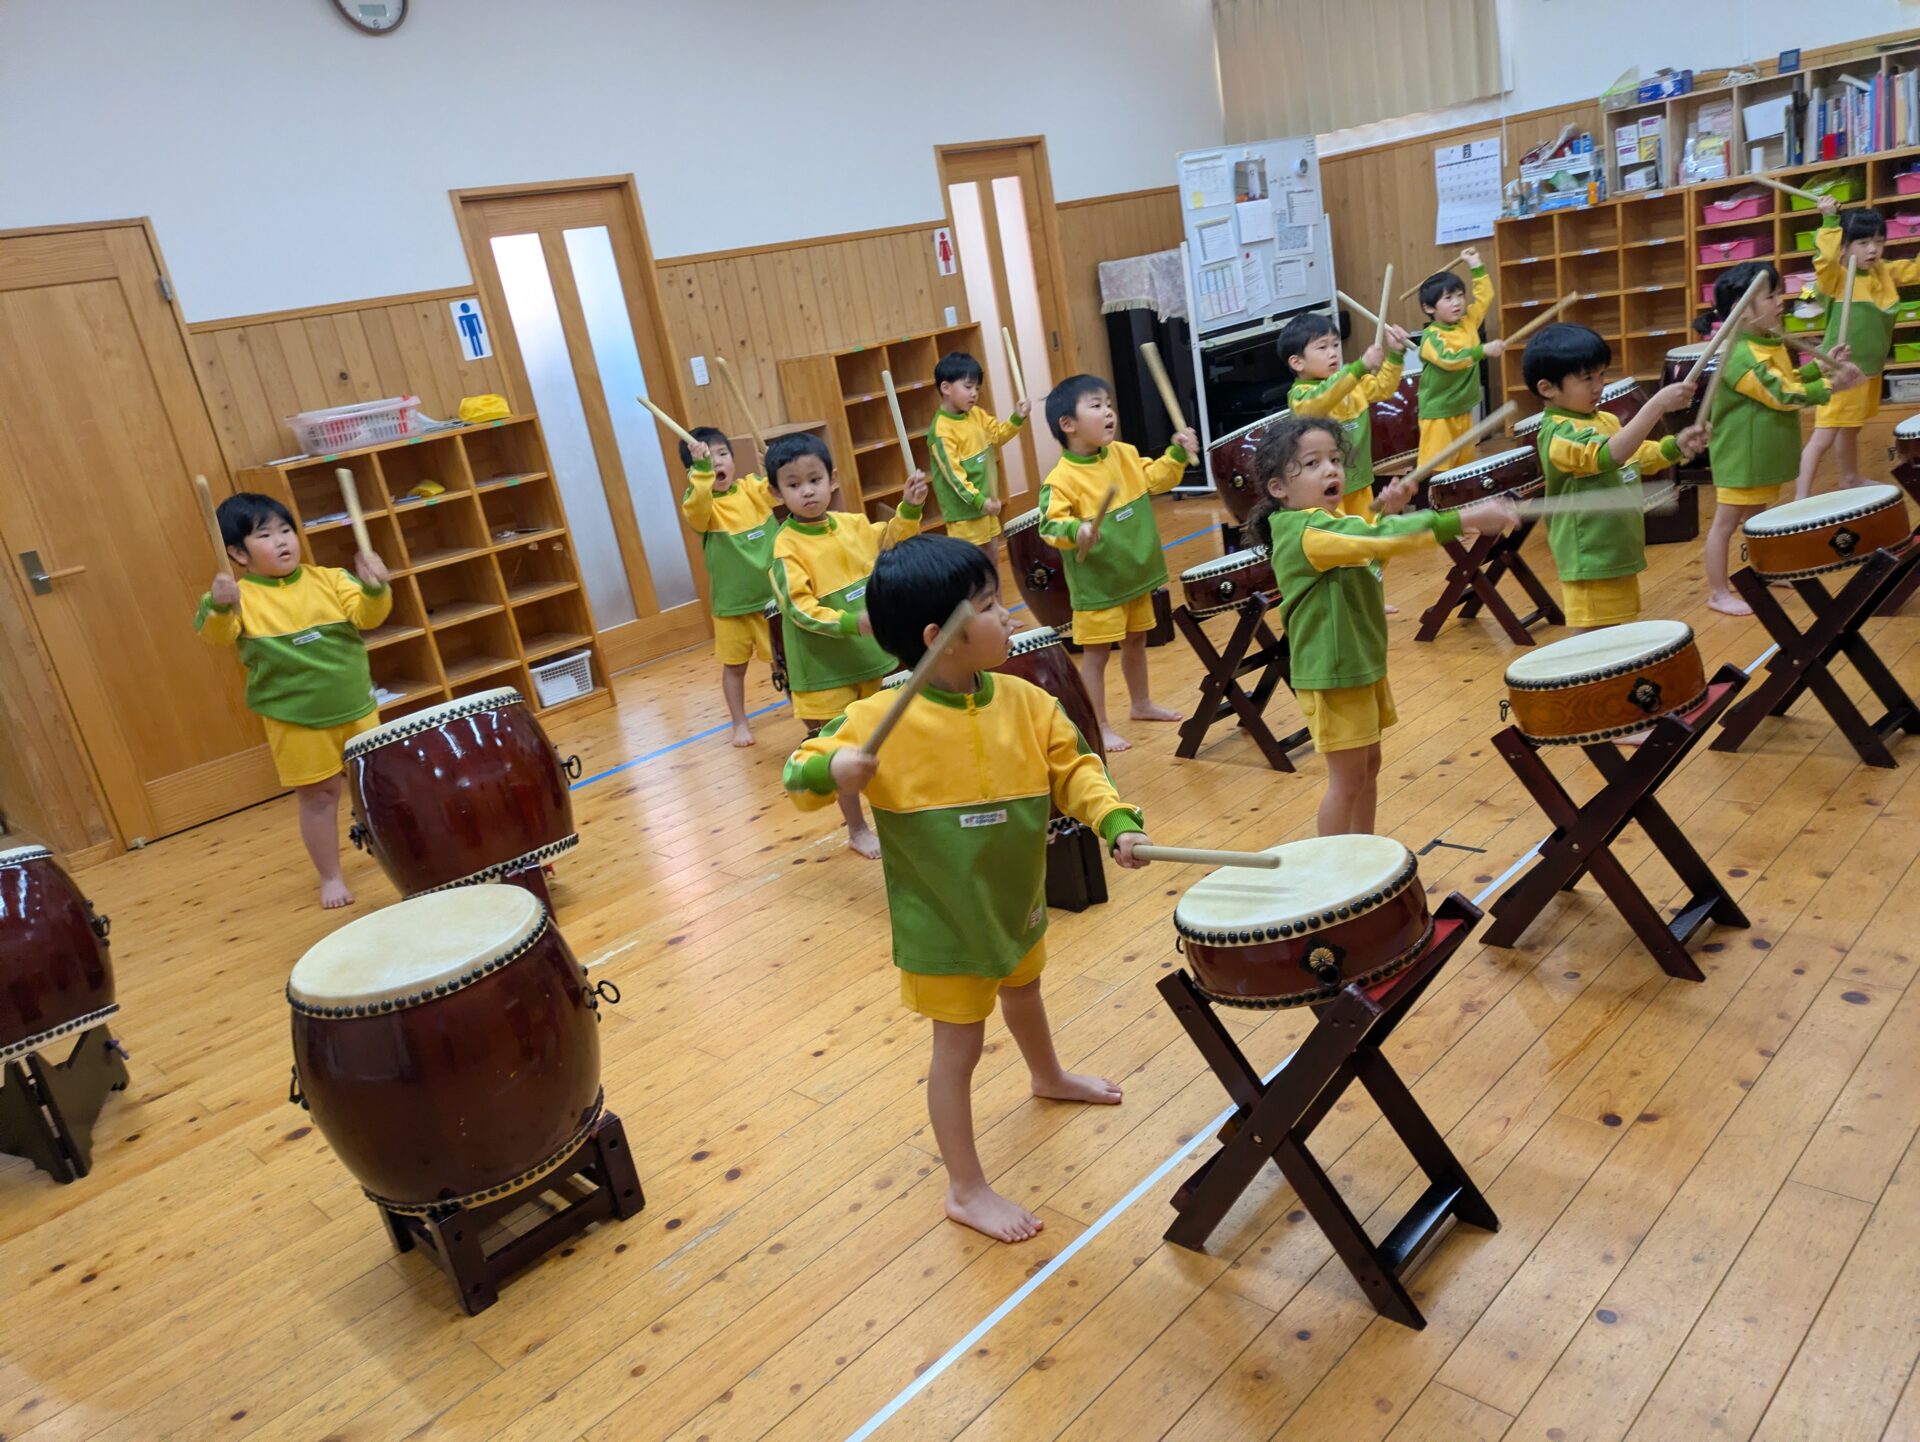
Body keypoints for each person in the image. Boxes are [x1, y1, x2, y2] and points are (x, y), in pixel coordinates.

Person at [781, 535, 1149, 1242]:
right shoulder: (873, 720)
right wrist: (834, 771)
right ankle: (965, 1188)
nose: (1008, 614)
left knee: (1025, 988)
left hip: (1014, 899)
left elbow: (1076, 769)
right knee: (959, 1050)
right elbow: (798, 772)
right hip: (943, 923)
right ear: (939, 637)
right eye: (988, 605)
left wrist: (1114, 821)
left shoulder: (1025, 702)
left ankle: (1047, 1076)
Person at [1245, 416, 1516, 837]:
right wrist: (1462, 519)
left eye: (1335, 459)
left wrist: (1388, 514)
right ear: (1278, 488)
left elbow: (1371, 557)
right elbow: (1375, 541)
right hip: (1333, 672)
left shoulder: (1329, 525)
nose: (1331, 470)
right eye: (1313, 463)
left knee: (1368, 768)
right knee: (1347, 780)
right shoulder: (1305, 530)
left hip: (1359, 662)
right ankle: (1336, 866)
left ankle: (1363, 851)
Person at [193, 492, 391, 909]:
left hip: (357, 708)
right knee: (319, 798)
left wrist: (376, 590)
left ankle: (393, 849)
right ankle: (330, 876)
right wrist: (219, 607)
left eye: (286, 530)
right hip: (294, 720)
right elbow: (216, 636)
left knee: (375, 787)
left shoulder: (331, 580)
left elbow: (368, 617)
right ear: (238, 553)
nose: (282, 540)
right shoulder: (238, 597)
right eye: (265, 535)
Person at [767, 432, 926, 857]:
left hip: (872, 659)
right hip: (824, 673)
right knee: (842, 752)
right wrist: (852, 621)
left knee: (889, 740)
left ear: (833, 479)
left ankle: (902, 810)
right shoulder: (785, 548)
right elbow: (798, 610)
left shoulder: (853, 525)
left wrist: (910, 506)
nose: (807, 491)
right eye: (794, 484)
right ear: (776, 494)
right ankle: (856, 827)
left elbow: (891, 540)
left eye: (815, 479)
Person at [1036, 374, 1195, 752]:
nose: (1109, 412)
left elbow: (1155, 479)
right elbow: (1049, 525)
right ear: (1068, 424)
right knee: (1097, 654)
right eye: (1096, 406)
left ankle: (1141, 703)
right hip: (1099, 586)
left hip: (1134, 575)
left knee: (1137, 640)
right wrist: (1076, 530)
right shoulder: (1061, 479)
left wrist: (1175, 455)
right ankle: (1100, 724)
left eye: (1108, 404)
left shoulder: (1123, 454)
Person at [1702, 262, 1864, 616]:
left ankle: (1765, 571)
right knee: (1725, 524)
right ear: (1742, 310)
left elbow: (1787, 378)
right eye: (1771, 296)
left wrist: (1821, 366)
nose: (1781, 302)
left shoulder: (1766, 341)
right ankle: (1718, 592)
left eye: (1779, 293)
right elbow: (1780, 393)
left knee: (1757, 519)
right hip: (1741, 454)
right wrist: (1831, 386)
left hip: (1761, 452)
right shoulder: (1739, 355)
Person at [1522, 323, 1708, 630]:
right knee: (1595, 641)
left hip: (1617, 548)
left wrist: (1676, 446)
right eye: (1587, 379)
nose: (1599, 386)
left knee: (1617, 633)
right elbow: (1608, 456)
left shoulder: (1604, 419)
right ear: (1547, 388)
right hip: (1589, 556)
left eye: (1601, 375)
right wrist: (1656, 405)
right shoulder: (1558, 433)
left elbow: (1635, 455)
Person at [1794, 198, 1920, 498]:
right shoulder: (1836, 278)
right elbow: (1824, 261)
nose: (1872, 250)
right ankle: (1799, 498)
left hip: (1868, 370)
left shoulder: (1883, 272)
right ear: (1845, 247)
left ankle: (1849, 477)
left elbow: (1915, 270)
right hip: (1842, 371)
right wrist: (1829, 221)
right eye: (1863, 243)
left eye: (1878, 242)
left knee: (1851, 426)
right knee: (1823, 436)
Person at [679, 426, 777, 747]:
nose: (718, 462)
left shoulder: (751, 488)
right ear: (694, 472)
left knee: (785, 661)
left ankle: (802, 706)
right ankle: (739, 722)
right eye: (708, 459)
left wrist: (775, 467)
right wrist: (702, 471)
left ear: (734, 460)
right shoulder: (701, 505)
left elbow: (778, 490)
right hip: (732, 606)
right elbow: (696, 511)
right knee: (734, 668)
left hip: (772, 599)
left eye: (723, 454)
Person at [1280, 310, 1413, 522]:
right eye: (1322, 347)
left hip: (1359, 480)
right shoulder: (1301, 395)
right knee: (1342, 536)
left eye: (1335, 345)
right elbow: (1323, 397)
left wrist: (1396, 354)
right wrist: (1360, 366)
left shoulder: (1352, 383)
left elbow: (1383, 388)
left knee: (1367, 531)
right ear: (1297, 363)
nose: (1333, 353)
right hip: (1325, 489)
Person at [928, 351, 1030, 562]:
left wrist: (1017, 418)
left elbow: (998, 435)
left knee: (992, 559)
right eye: (968, 387)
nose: (974, 393)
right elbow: (955, 478)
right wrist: (981, 502)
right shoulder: (941, 431)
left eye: (977, 388)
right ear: (946, 388)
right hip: (964, 514)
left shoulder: (977, 414)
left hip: (985, 506)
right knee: (973, 565)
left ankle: (995, 588)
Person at [1417, 249, 1503, 469]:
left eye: (1460, 295)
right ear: (1429, 307)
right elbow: (1450, 360)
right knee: (1438, 470)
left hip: (1463, 408)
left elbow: (1485, 297)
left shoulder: (1468, 322)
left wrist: (1476, 265)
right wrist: (1482, 351)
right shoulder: (1431, 337)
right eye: (1448, 298)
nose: (1457, 303)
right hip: (1439, 416)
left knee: (1463, 468)